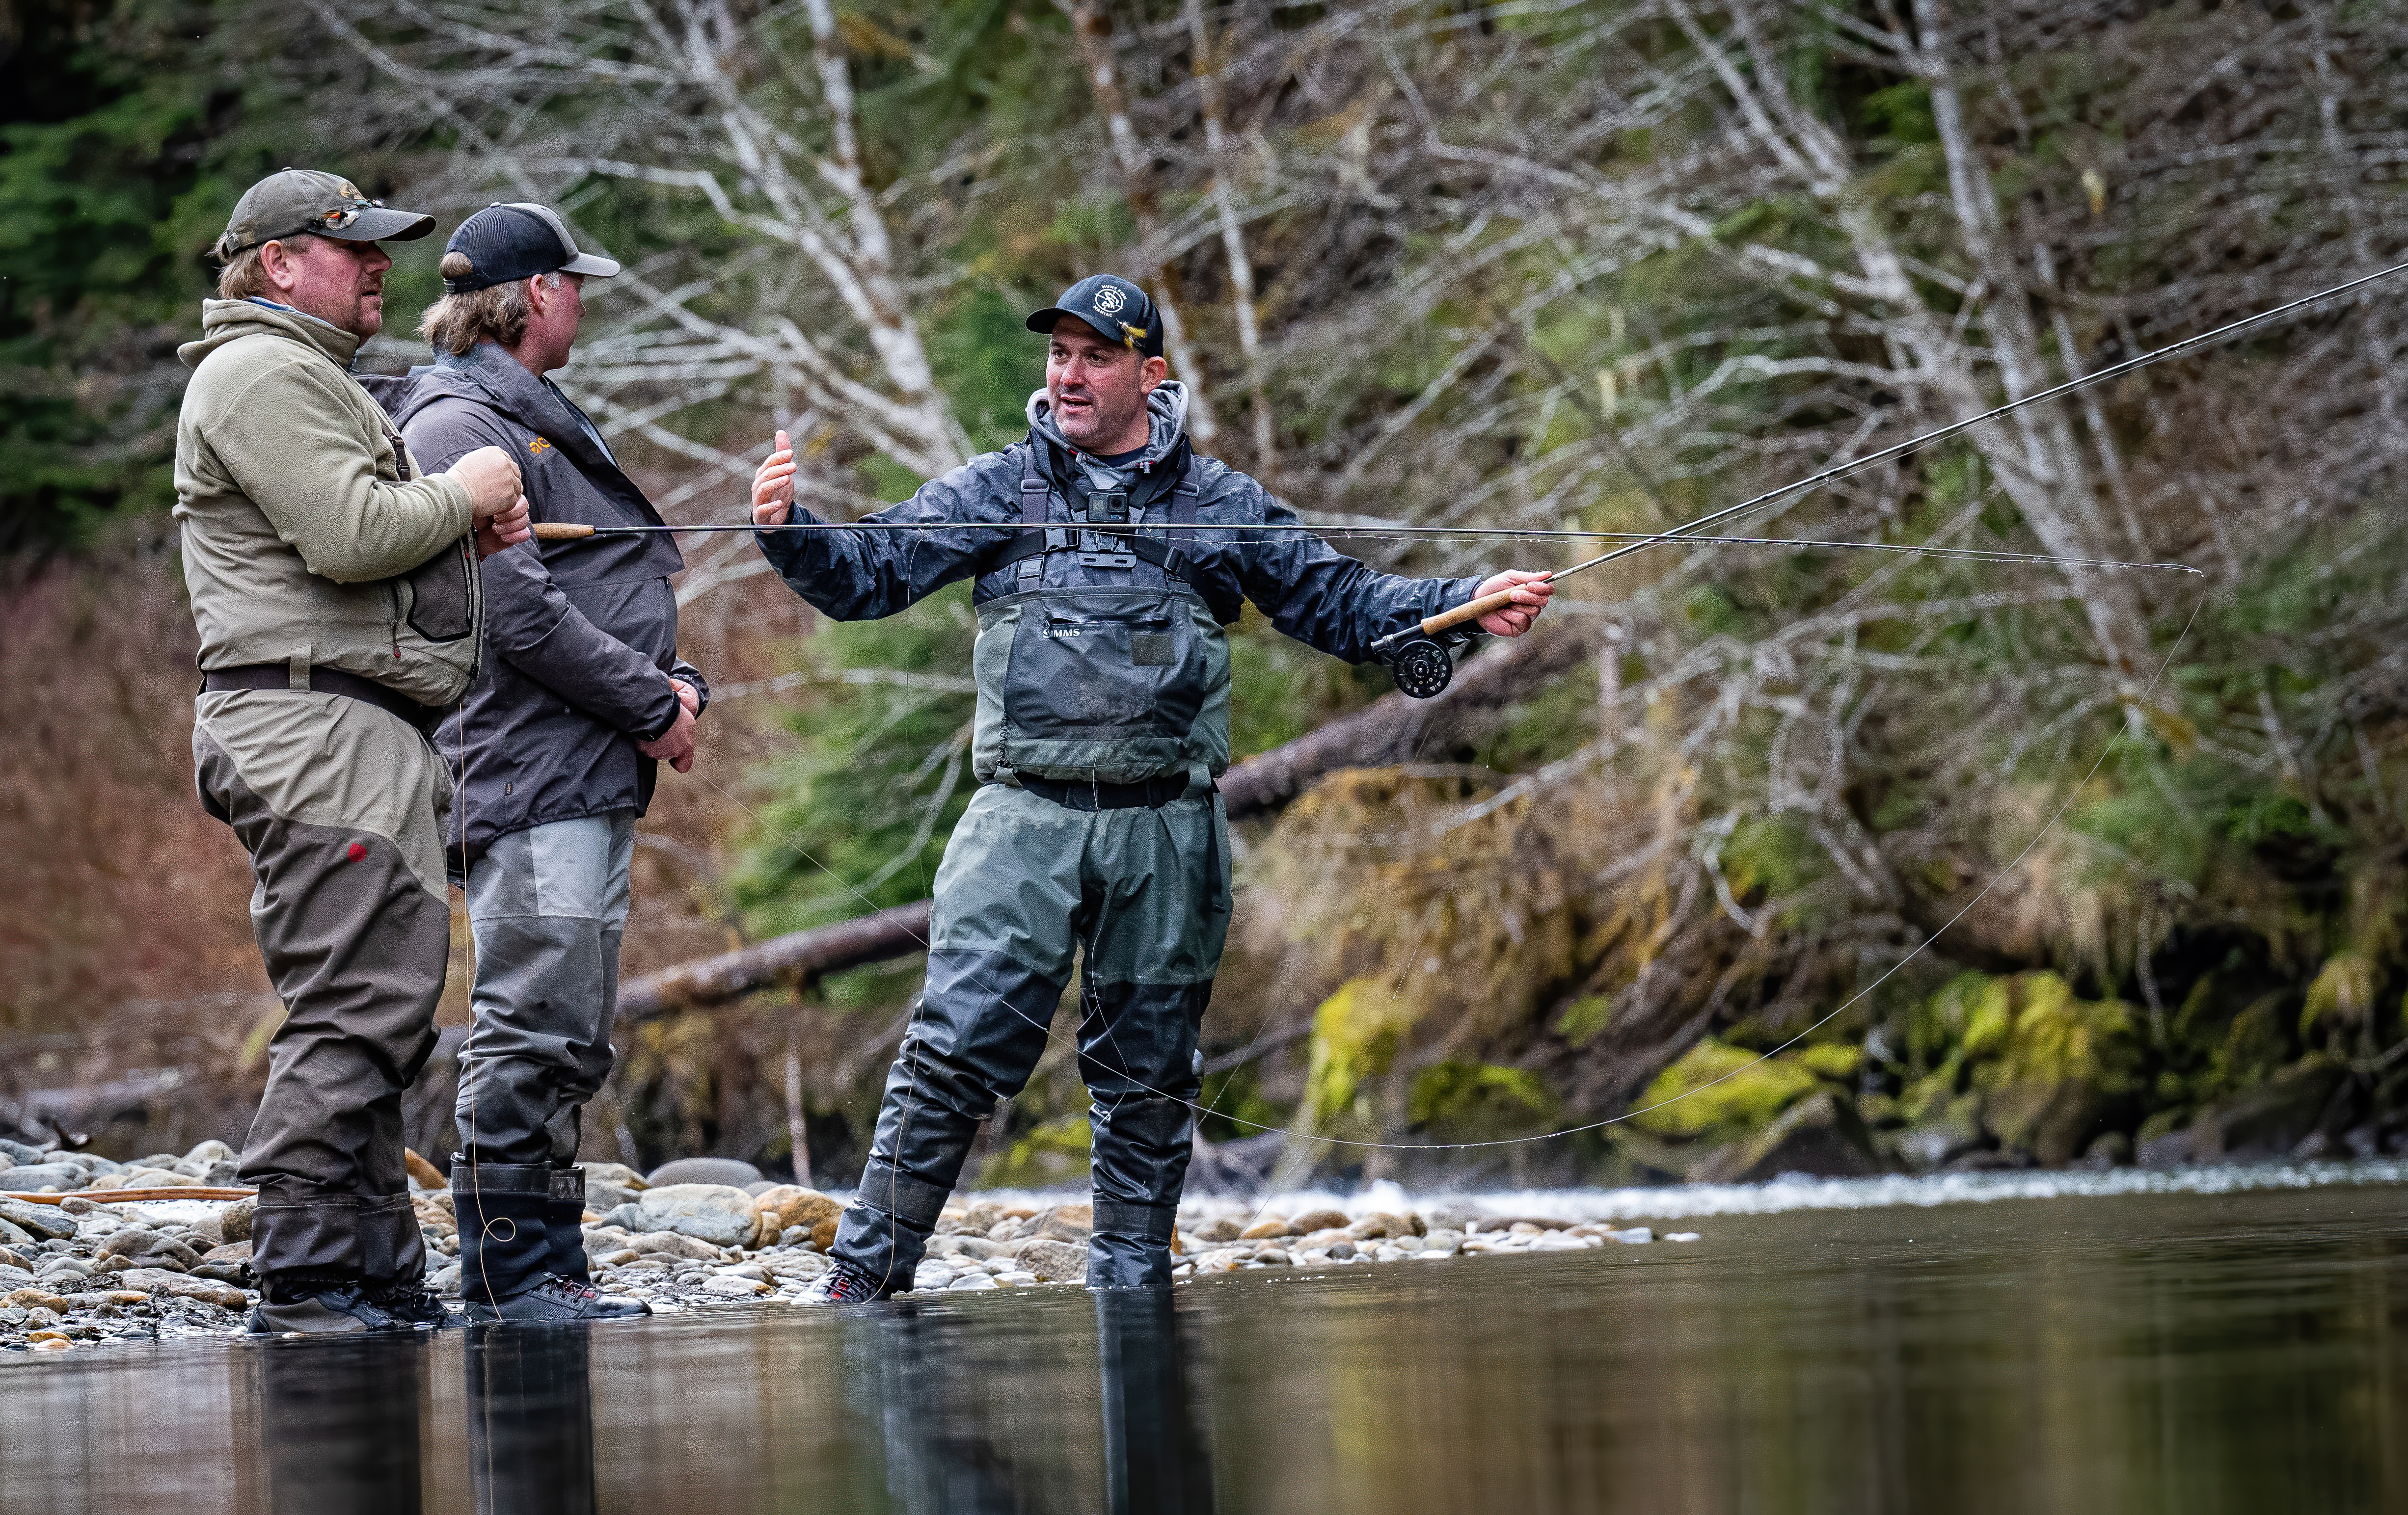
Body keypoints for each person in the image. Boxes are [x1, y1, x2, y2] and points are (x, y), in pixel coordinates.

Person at [748, 274, 1553, 1299]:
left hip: (1168, 830)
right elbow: (871, 570)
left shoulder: (1219, 503)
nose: (1069, 374)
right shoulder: (999, 486)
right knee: (955, 1046)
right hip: (1020, 822)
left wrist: (1460, 606)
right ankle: (863, 1276)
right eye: (1058, 355)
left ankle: (1131, 1287)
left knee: (1147, 1076)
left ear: (1149, 373)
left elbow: (1340, 601)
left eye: (1095, 355)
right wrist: (789, 531)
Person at [177, 167, 532, 1334]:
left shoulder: (297, 374)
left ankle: (376, 1274)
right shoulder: (257, 372)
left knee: (382, 1001)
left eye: (383, 247)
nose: (383, 266)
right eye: (354, 249)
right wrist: (464, 486)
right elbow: (346, 534)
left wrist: (458, 519)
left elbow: (362, 539)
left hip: (348, 729)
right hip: (313, 731)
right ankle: (308, 1277)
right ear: (279, 263)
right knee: (355, 1005)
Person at [397, 203, 706, 1324]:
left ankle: (542, 1272)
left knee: (565, 1022)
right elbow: (511, 615)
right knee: (532, 1022)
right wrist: (647, 705)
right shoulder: (455, 422)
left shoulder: (515, 413)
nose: (583, 300)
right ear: (535, 295)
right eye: (574, 283)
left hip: (574, 766)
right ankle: (513, 1276)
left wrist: (676, 687)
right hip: (525, 776)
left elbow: (594, 592)